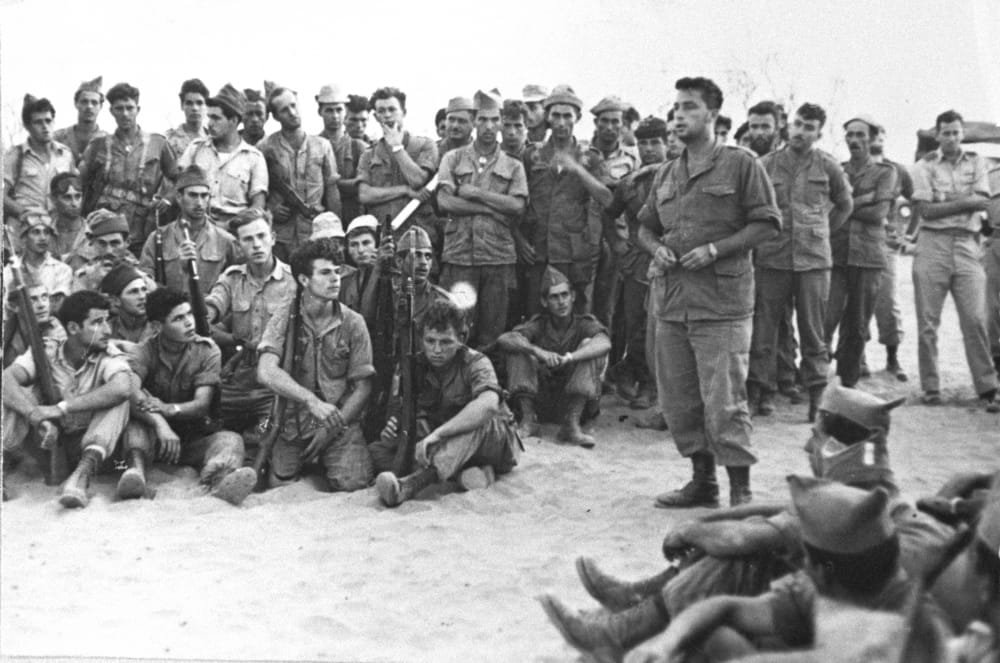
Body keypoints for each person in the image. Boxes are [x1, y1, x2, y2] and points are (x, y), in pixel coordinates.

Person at [636, 76, 781, 508]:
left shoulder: (741, 164)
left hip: (721, 306)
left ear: (713, 115)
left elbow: (767, 223)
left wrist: (717, 249)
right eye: (676, 108)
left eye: (690, 107)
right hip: (672, 304)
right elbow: (644, 227)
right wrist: (657, 249)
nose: (678, 116)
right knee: (680, 402)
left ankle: (740, 491)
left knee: (725, 403)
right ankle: (703, 482)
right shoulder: (667, 171)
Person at [656, 476, 951, 662]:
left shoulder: (912, 632)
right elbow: (725, 608)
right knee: (714, 635)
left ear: (823, 571)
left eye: (806, 558)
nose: (802, 566)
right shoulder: (846, 582)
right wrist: (665, 643)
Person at [748, 103, 853, 421]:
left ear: (818, 133)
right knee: (763, 329)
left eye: (809, 127)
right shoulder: (766, 165)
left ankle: (816, 394)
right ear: (788, 126)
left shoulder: (828, 166)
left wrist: (821, 232)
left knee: (813, 331)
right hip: (772, 258)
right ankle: (759, 392)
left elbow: (845, 204)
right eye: (797, 124)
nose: (800, 131)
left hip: (813, 262)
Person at [374, 298, 521, 507]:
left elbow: (488, 405)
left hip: (495, 440)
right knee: (379, 451)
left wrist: (438, 434)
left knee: (475, 421)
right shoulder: (415, 365)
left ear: (461, 338)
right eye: (430, 341)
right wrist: (392, 430)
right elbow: (400, 412)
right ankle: (467, 471)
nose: (436, 350)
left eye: (445, 342)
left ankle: (410, 485)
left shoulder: (476, 362)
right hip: (450, 443)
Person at [118, 287, 256, 504]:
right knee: (134, 430)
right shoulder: (143, 352)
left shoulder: (207, 350)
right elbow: (130, 390)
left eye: (189, 314)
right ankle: (136, 474)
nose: (189, 323)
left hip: (191, 438)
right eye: (178, 318)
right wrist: (161, 425)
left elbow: (201, 404)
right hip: (153, 437)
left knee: (230, 440)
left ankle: (220, 482)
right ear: (157, 326)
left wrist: (169, 409)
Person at [256, 239, 375, 491]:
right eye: (325, 273)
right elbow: (266, 371)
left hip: (339, 421)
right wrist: (310, 400)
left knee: (353, 483)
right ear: (304, 280)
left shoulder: (353, 322)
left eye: (337, 271)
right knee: (280, 484)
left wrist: (333, 427)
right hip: (293, 423)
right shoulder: (285, 316)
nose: (335, 279)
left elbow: (363, 386)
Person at [1, 290, 131, 508]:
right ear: (72, 328)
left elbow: (122, 387)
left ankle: (81, 477)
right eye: (97, 323)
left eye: (107, 321)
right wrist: (36, 416)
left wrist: (61, 408)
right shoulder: (46, 351)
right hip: (48, 443)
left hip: (95, 448)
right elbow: (6, 380)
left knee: (120, 401)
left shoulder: (108, 354)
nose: (108, 330)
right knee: (19, 394)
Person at [909, 109, 1000, 412]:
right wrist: (965, 202)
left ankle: (987, 386)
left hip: (966, 243)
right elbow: (926, 211)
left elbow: (982, 201)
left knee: (975, 318)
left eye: (956, 132)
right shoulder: (923, 166)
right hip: (932, 243)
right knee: (928, 321)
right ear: (937, 135)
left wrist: (944, 200)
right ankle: (931, 387)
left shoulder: (978, 162)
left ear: (963, 134)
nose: (951, 138)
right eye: (945, 133)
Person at [437, 89, 529, 354]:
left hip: (497, 259)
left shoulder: (513, 166)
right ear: (474, 121)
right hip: (460, 258)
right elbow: (445, 202)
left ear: (501, 122)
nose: (489, 126)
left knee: (492, 333)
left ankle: (486, 378)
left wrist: (476, 193)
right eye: (483, 120)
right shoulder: (453, 159)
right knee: (456, 327)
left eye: (494, 120)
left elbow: (517, 206)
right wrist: (490, 210)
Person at [522, 84, 613, 316]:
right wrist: (518, 239)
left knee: (577, 317)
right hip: (539, 252)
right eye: (556, 116)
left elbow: (608, 199)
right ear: (547, 117)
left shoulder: (590, 158)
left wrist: (578, 169)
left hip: (574, 254)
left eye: (567, 116)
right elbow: (518, 201)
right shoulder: (532, 155)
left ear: (577, 118)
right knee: (536, 316)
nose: (561, 122)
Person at [205, 207, 295, 440]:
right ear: (238, 245)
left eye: (261, 236)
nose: (256, 245)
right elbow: (209, 312)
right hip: (238, 385)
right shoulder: (232, 278)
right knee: (204, 425)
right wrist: (205, 314)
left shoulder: (293, 281)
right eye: (248, 239)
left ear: (272, 238)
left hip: (275, 386)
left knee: (269, 434)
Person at [498, 266, 610, 448]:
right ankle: (528, 420)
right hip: (542, 400)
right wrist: (537, 352)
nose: (561, 302)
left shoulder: (584, 324)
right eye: (554, 297)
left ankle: (572, 424)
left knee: (589, 346)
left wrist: (571, 357)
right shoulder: (538, 324)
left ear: (573, 296)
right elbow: (505, 339)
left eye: (565, 295)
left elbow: (604, 343)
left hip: (574, 402)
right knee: (519, 347)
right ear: (544, 301)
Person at [824, 115, 897, 389]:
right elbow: (826, 209)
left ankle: (848, 383)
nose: (854, 140)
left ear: (872, 139)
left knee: (856, 326)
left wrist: (845, 205)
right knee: (825, 319)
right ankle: (815, 378)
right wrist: (864, 199)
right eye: (850, 135)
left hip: (868, 256)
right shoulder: (836, 170)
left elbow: (879, 213)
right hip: (836, 254)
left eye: (860, 135)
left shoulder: (885, 172)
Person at [602, 115, 669, 410]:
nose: (649, 149)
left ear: (667, 143)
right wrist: (618, 245)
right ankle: (644, 382)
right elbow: (608, 213)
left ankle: (660, 385)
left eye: (655, 142)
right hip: (637, 264)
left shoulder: (679, 176)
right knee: (637, 325)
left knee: (665, 326)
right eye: (643, 143)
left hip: (672, 260)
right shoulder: (631, 183)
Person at [78, 82, 176, 256]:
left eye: (129, 108)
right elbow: (79, 183)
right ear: (111, 111)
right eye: (119, 108)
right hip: (105, 232)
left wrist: (168, 199)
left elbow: (180, 178)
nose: (125, 114)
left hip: (142, 230)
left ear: (138, 109)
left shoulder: (158, 144)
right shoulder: (99, 145)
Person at [257, 85, 341, 261]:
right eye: (284, 110)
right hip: (281, 235)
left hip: (315, 231)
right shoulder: (265, 148)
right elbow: (259, 190)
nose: (292, 113)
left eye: (293, 105)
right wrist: (271, 209)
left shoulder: (322, 145)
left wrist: (335, 227)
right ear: (276, 116)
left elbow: (332, 191)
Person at [178, 84, 267, 231]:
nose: (210, 123)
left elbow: (258, 205)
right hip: (198, 228)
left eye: (216, 118)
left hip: (235, 231)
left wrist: (232, 225)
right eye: (209, 117)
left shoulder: (254, 158)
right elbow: (179, 189)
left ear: (233, 121)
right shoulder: (195, 149)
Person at [139, 165, 239, 296]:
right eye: (193, 195)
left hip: (210, 307)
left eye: (204, 196)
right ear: (179, 197)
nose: (199, 202)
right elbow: (145, 282)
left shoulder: (226, 241)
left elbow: (237, 284)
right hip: (170, 306)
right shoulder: (158, 238)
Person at [357, 86, 439, 246]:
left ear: (404, 112)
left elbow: (418, 180)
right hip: (385, 237)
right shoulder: (368, 154)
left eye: (392, 109)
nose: (387, 115)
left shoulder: (425, 145)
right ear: (375, 116)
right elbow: (365, 195)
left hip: (420, 237)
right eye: (381, 111)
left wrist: (397, 147)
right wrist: (404, 190)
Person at [587, 95, 640, 335]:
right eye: (604, 121)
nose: (609, 127)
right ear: (596, 123)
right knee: (583, 302)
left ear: (622, 125)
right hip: (585, 236)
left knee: (609, 305)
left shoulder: (632, 159)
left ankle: (606, 354)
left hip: (616, 239)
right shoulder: (583, 154)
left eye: (615, 122)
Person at [868, 124, 913, 381]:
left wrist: (908, 235)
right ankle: (858, 358)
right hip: (857, 240)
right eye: (871, 134)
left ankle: (892, 358)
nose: (876, 139)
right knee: (856, 302)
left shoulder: (897, 170)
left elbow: (917, 201)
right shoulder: (850, 168)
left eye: (880, 134)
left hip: (886, 242)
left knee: (887, 300)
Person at [4, 95, 76, 239]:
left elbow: (74, 192)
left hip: (56, 231)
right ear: (27, 126)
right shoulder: (15, 155)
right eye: (38, 122)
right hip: (24, 231)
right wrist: (23, 213)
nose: (45, 127)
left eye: (48, 121)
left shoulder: (65, 154)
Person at [316, 84, 367, 223]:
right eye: (329, 110)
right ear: (320, 112)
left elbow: (363, 185)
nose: (335, 116)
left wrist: (333, 182)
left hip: (354, 220)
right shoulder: (313, 146)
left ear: (346, 112)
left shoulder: (358, 148)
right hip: (323, 220)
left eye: (339, 110)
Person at [2, 211, 72, 312]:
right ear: (24, 237)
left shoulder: (62, 270)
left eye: (46, 232)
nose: (43, 238)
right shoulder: (9, 271)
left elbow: (57, 306)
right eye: (36, 232)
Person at [68, 209, 148, 292]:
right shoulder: (81, 272)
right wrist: (93, 283)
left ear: (127, 242)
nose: (108, 251)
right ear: (91, 242)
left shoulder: (138, 271)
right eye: (102, 243)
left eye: (115, 243)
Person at [2, 280, 66, 369]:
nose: (41, 305)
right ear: (14, 306)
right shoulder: (8, 341)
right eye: (32, 300)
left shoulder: (57, 329)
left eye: (44, 297)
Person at [338, 214, 384, 329]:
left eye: (366, 243)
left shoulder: (389, 278)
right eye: (354, 244)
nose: (360, 250)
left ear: (377, 244)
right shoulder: (345, 283)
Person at [53, 76, 107, 165]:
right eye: (84, 102)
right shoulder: (58, 137)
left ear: (100, 106)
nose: (89, 106)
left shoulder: (107, 140)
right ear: (76, 104)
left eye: (94, 102)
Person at [100, 262, 154, 345]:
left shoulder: (161, 327)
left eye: (144, 289)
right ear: (116, 300)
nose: (142, 296)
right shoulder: (106, 330)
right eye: (134, 292)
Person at [164, 79, 209, 159]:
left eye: (199, 103)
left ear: (206, 106)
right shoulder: (169, 140)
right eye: (189, 103)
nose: (195, 108)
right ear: (182, 106)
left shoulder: (214, 139)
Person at [49, 172, 86, 259]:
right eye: (67, 197)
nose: (74, 203)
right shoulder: (44, 233)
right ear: (53, 199)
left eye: (78, 196)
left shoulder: (92, 233)